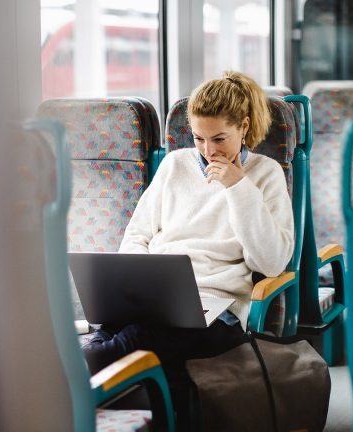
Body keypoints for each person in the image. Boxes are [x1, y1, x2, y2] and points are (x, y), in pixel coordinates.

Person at [82, 71, 294, 375]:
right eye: (199, 139)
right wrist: (144, 286)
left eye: (219, 139)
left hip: (217, 311)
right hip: (155, 302)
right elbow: (137, 235)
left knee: (126, 344)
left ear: (243, 126)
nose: (208, 152)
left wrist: (238, 188)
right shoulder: (174, 165)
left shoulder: (265, 174)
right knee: (104, 335)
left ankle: (60, 390)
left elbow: (271, 262)